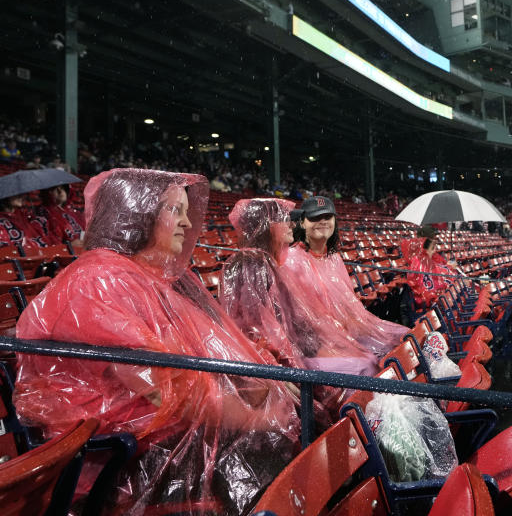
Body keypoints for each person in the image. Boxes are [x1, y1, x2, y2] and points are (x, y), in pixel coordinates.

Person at [14, 168, 300, 515]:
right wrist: (258, 418)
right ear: (138, 212)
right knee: (279, 453)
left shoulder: (137, 275)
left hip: (160, 438)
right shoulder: (100, 282)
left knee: (292, 434)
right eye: (173, 210)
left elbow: (201, 363)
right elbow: (171, 392)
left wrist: (260, 388)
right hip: (119, 460)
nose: (185, 222)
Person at [219, 199, 378, 412]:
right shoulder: (252, 265)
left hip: (297, 356)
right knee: (364, 366)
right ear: (265, 226)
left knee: (366, 358)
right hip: (277, 367)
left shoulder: (270, 263)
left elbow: (297, 323)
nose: (291, 224)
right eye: (284, 220)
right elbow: (254, 332)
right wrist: (280, 372)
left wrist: (328, 344)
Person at [288, 196, 408, 359]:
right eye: (315, 217)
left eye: (328, 217)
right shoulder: (292, 259)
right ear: (302, 222)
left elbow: (350, 305)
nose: (323, 221)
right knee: (369, 363)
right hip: (314, 345)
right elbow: (299, 319)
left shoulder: (334, 258)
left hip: (344, 333)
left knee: (405, 337)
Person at [406, 225, 457, 312]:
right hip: (428, 295)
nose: (435, 237)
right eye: (433, 236)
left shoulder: (426, 254)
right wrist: (449, 268)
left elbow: (439, 265)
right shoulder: (419, 259)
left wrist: (448, 266)